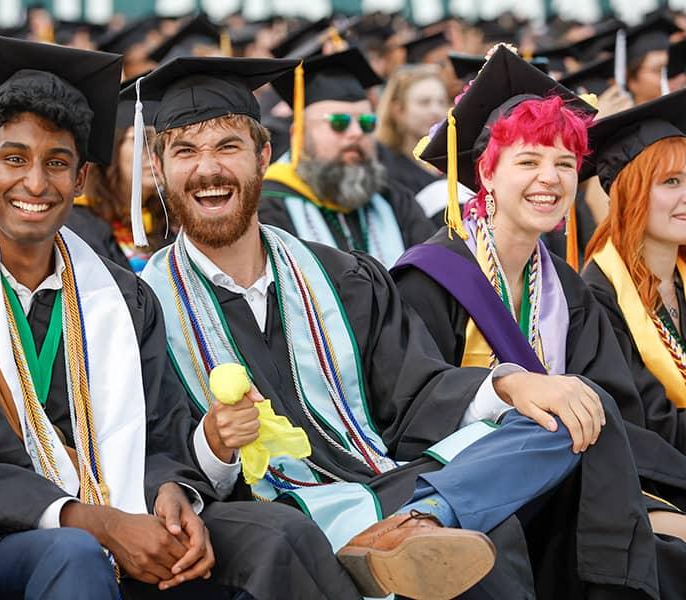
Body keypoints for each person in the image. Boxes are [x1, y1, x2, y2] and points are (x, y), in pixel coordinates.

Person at [131, 53, 658, 600]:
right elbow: (149, 455)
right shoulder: (142, 305)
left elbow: (415, 394)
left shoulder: (344, 278)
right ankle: (416, 526)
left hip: (385, 485)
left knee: (567, 410)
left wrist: (511, 384)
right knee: (301, 535)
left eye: (228, 147)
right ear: (159, 165)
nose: (208, 168)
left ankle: (424, 518)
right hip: (257, 507)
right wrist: (214, 445)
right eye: (186, 151)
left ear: (264, 155)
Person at [0, 33, 353, 600]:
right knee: (74, 554)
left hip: (123, 515)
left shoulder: (122, 297)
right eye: (14, 160)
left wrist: (170, 497)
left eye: (57, 163)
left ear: (80, 181)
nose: (35, 183)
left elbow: (161, 435)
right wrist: (98, 523)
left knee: (274, 535)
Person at [392, 44, 681, 599]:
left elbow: (617, 411)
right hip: (474, 496)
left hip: (574, 490)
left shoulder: (566, 291)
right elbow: (408, 412)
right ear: (486, 172)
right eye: (527, 160)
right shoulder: (428, 278)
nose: (550, 178)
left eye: (565, 163)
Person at [582, 90, 686, 534]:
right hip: (656, 483)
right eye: (671, 182)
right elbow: (639, 422)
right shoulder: (597, 295)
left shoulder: (680, 277)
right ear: (630, 193)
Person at [258, 48, 435, 267]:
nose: (356, 133)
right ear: (299, 134)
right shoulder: (267, 208)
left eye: (366, 123)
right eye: (338, 123)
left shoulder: (395, 202)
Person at [66, 87, 169, 272]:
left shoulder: (169, 220)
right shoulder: (79, 222)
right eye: (142, 139)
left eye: (160, 142)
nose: (154, 152)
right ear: (114, 148)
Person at [375, 64, 446, 196]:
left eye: (441, 102)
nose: (436, 111)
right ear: (398, 110)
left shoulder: (451, 164)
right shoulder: (385, 170)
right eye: (424, 102)